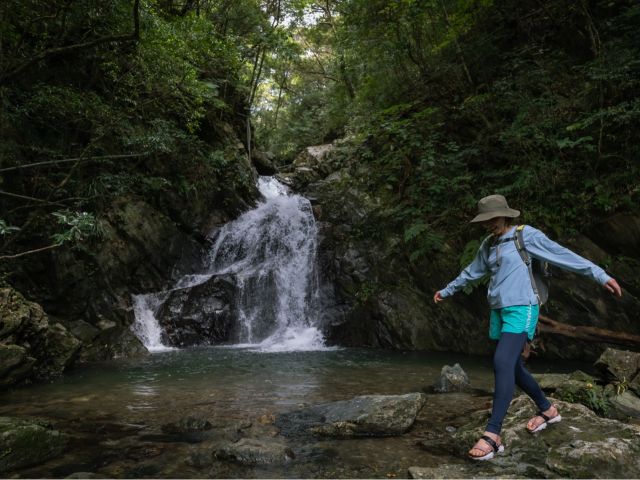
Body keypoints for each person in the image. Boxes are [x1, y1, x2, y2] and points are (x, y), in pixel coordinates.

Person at [433, 194, 622, 461]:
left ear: (506, 215)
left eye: (493, 219)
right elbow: (471, 272)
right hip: (499, 310)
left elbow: (562, 255)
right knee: (514, 366)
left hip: (523, 307)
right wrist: (447, 290)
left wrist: (599, 274)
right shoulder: (488, 244)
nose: (489, 224)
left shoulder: (526, 236)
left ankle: (493, 434)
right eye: (485, 221)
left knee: (502, 361)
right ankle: (547, 410)